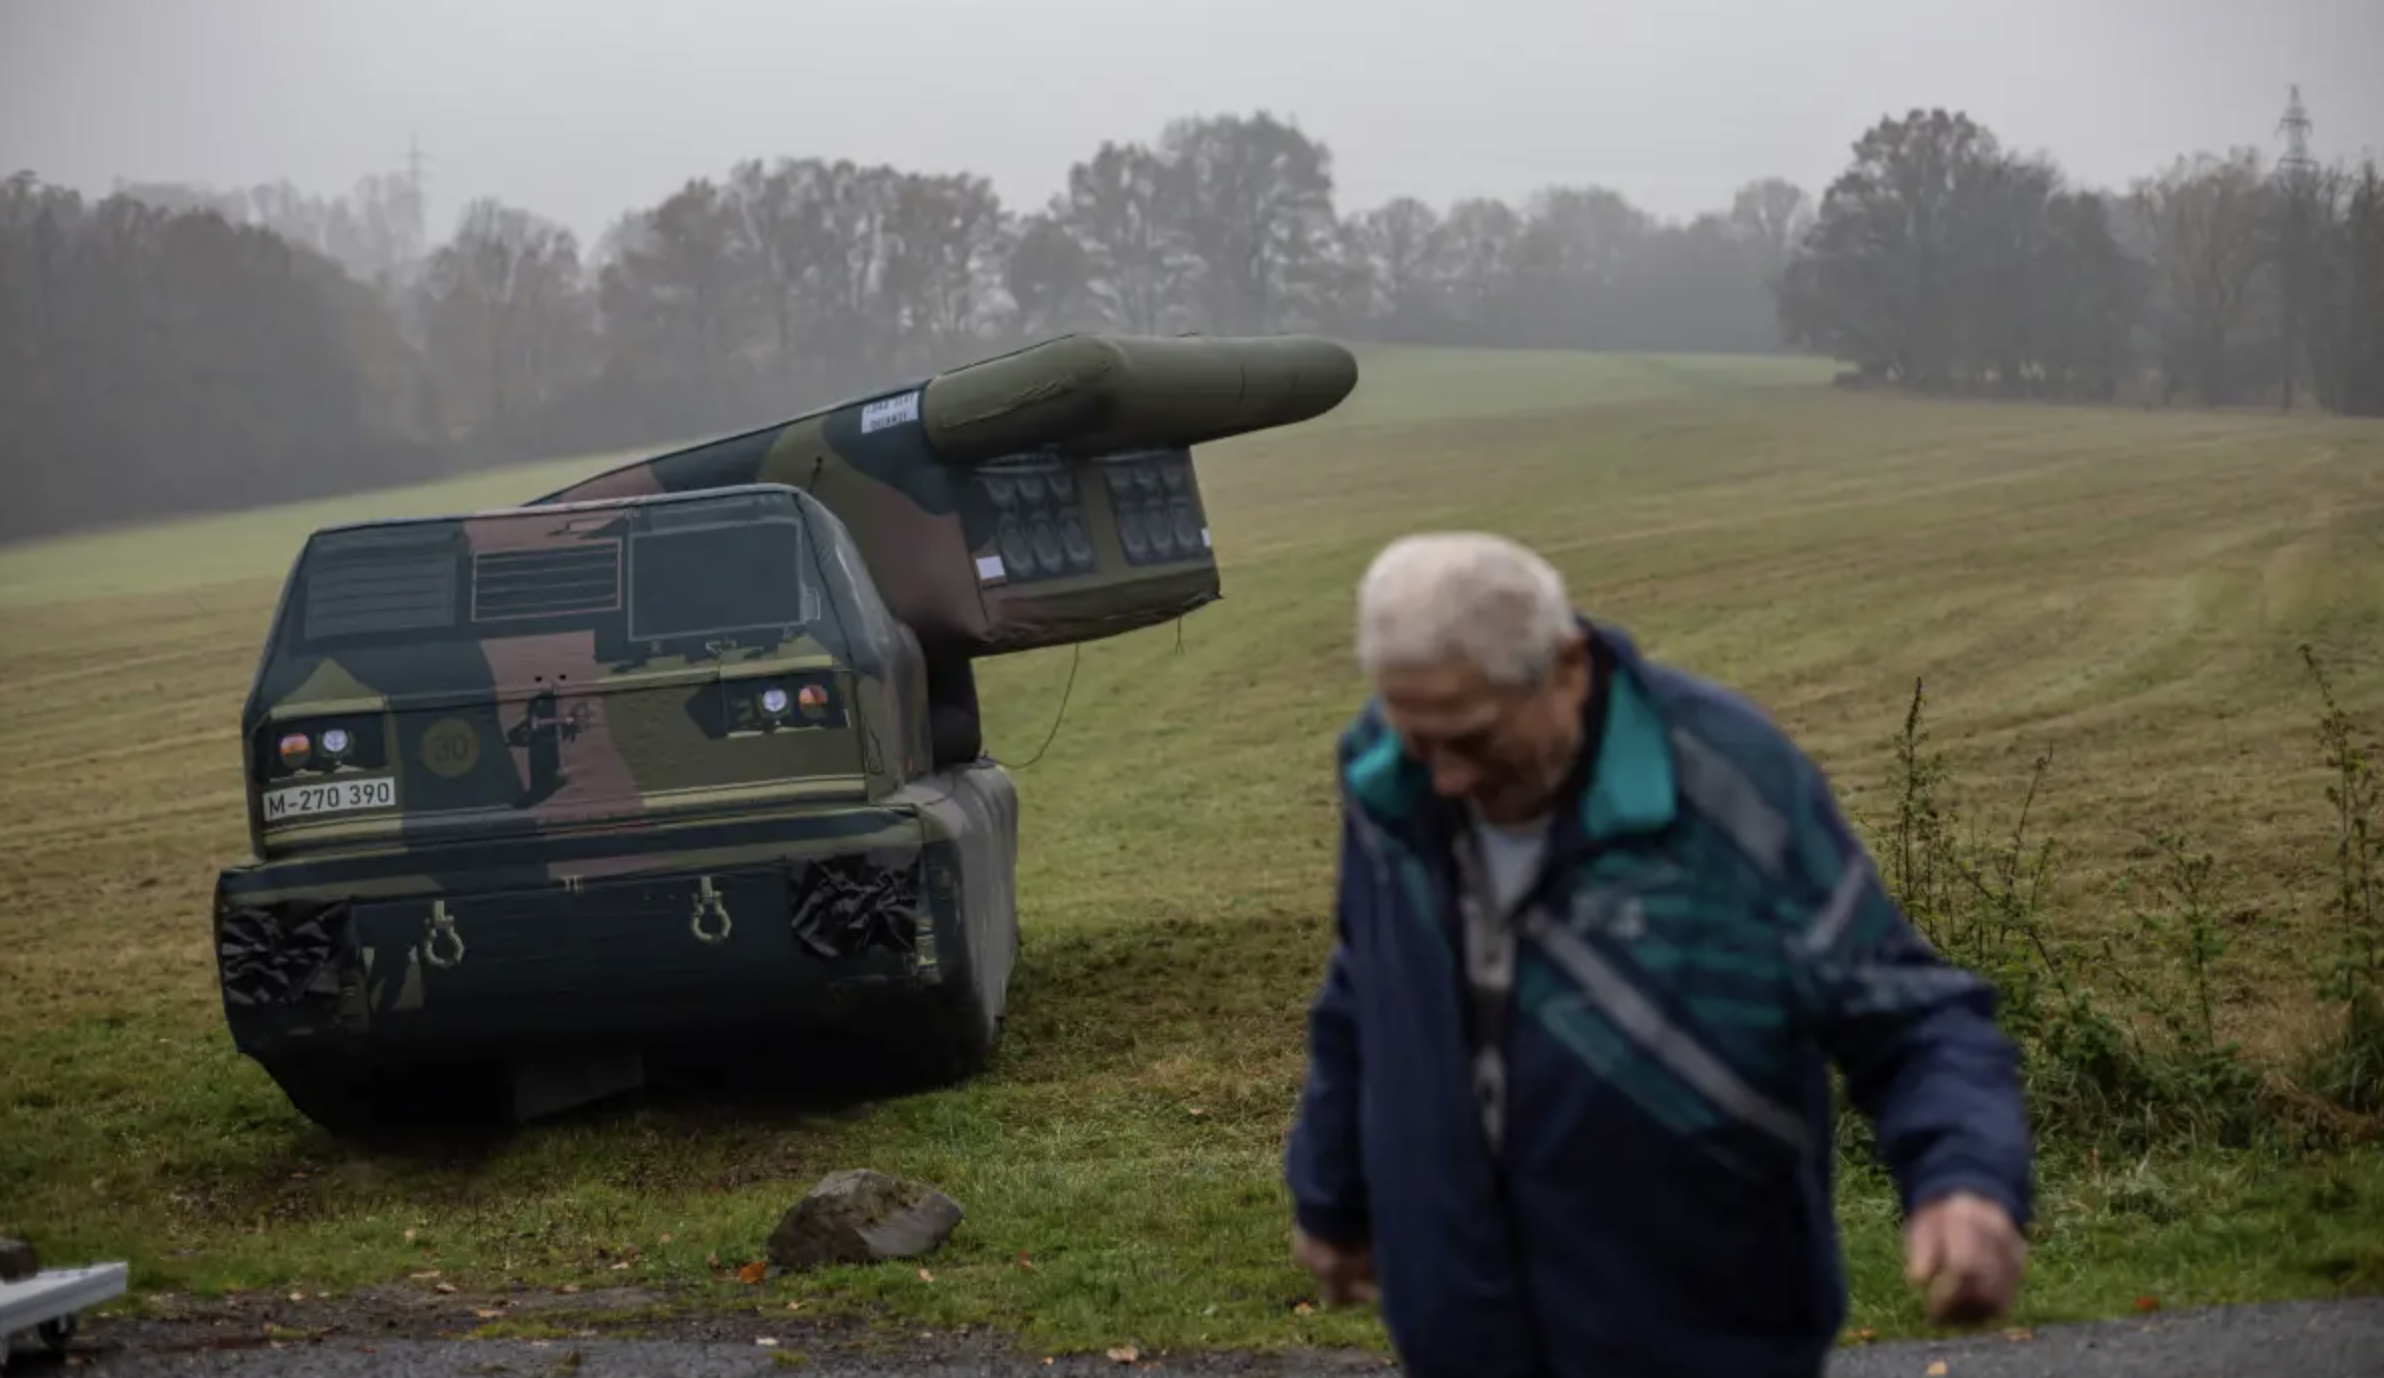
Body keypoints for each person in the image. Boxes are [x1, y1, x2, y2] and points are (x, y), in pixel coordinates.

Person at [1283, 531, 2033, 1378]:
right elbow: (1368, 984)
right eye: (1417, 735)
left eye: (1473, 737)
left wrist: (1963, 1178)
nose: (1446, 777)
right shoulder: (1390, 781)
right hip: (1467, 1338)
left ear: (1566, 669)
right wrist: (1333, 1192)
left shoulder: (1726, 786)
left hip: (1703, 1339)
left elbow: (1908, 1015)